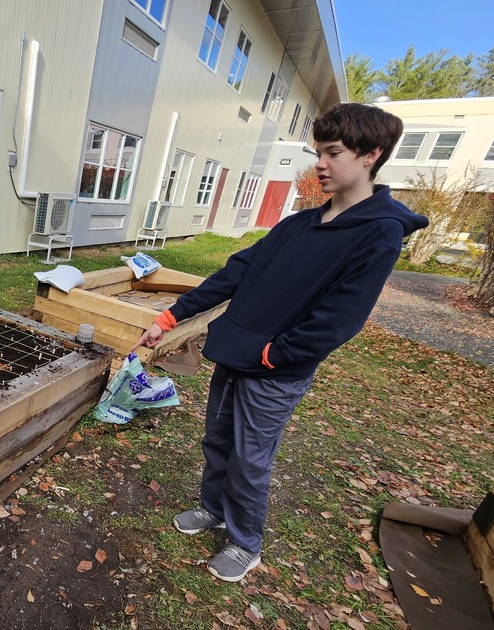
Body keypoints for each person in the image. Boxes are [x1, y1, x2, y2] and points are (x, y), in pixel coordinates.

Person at [132, 102, 428, 582]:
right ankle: (214, 508)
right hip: (234, 355)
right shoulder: (298, 224)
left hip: (274, 372)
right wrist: (170, 317)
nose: (320, 164)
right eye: (318, 153)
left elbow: (340, 319)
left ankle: (245, 542)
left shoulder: (379, 235)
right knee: (218, 441)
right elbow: (236, 271)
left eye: (333, 153)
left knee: (250, 460)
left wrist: (275, 353)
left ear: (371, 154)